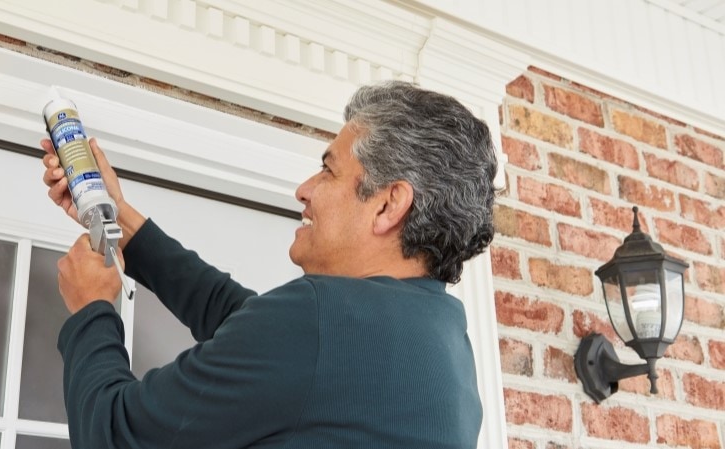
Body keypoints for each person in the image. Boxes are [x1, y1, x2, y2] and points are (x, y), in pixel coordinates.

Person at [40, 80, 496, 449]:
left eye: (329, 170)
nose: (304, 189)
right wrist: (121, 217)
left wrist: (92, 309)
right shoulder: (447, 345)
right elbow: (248, 324)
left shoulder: (317, 320)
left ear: (388, 205)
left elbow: (115, 435)